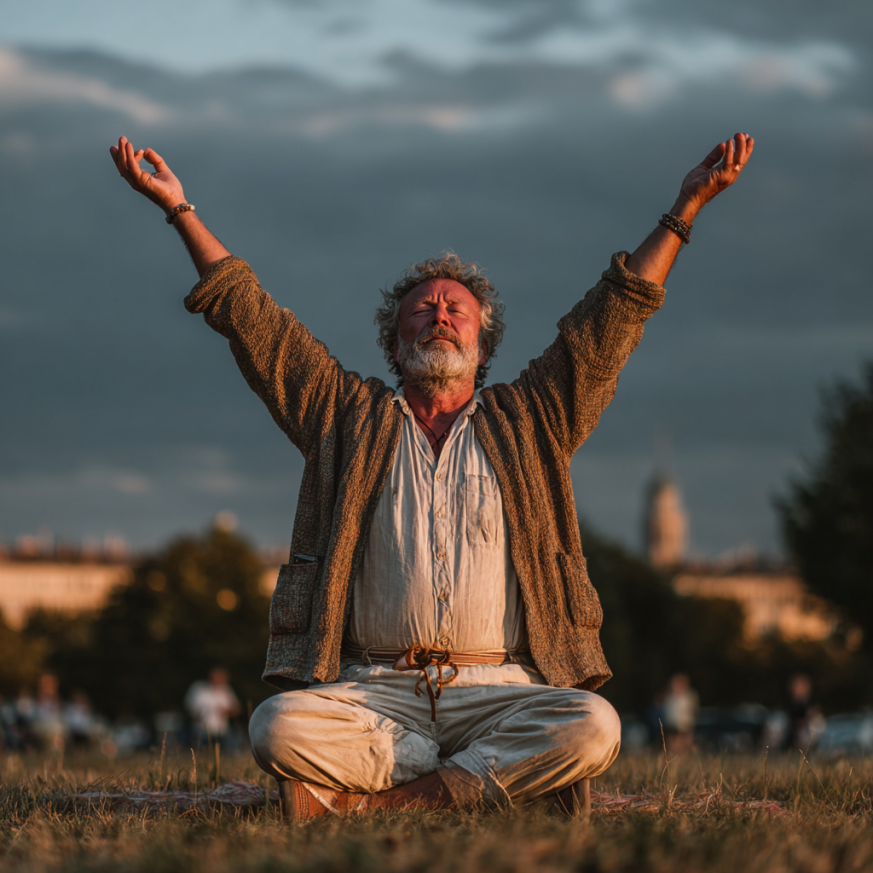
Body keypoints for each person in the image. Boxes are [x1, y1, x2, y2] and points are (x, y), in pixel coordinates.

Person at [110, 130, 754, 818]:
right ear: (395, 341)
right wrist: (180, 210)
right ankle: (473, 784)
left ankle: (385, 803)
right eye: (421, 308)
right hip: (376, 692)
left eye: (456, 309)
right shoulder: (344, 416)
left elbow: (612, 318)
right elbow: (254, 323)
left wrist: (684, 208)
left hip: (500, 687)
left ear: (482, 342)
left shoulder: (532, 415)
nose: (439, 314)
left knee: (593, 723)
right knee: (276, 725)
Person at [184, 668, 242, 749]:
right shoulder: (199, 689)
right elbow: (188, 707)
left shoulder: (225, 690)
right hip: (200, 731)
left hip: (221, 732)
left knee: (221, 754)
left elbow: (237, 709)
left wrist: (226, 711)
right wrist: (196, 715)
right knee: (202, 753)